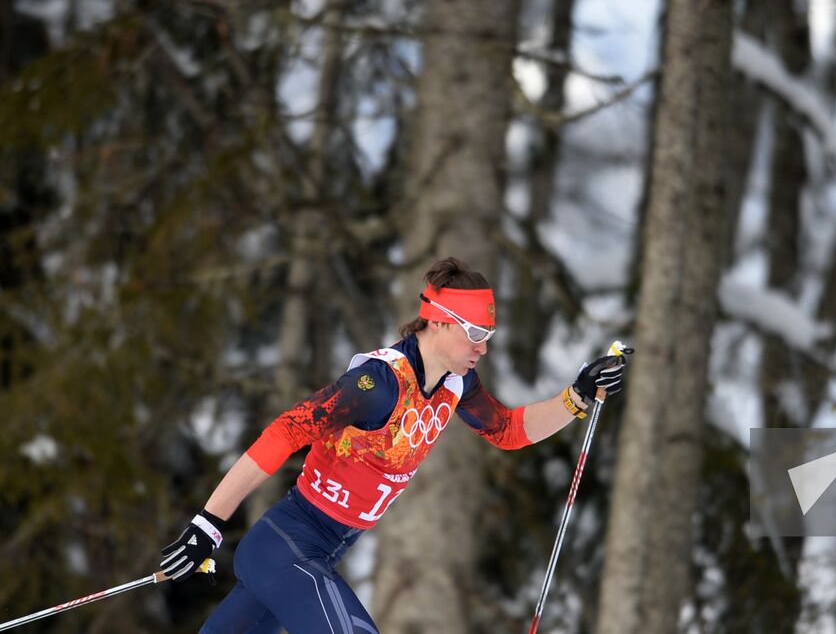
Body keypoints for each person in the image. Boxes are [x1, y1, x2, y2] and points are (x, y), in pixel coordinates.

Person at [159, 257, 629, 633]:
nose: (483, 348)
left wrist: (577, 396)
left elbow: (507, 430)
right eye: (476, 334)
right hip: (285, 546)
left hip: (321, 554)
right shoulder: (377, 383)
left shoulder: (456, 384)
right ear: (440, 323)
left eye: (488, 336)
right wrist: (209, 523)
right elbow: (285, 431)